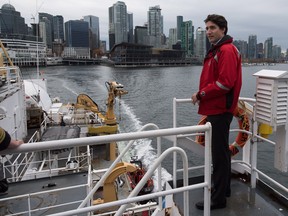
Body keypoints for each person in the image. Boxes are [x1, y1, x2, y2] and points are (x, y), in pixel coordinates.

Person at [192, 14, 242, 210]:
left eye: (212, 28)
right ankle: (224, 189)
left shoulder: (226, 50)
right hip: (217, 108)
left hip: (220, 110)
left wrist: (200, 94)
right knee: (221, 153)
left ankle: (218, 198)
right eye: (207, 28)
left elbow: (224, 83)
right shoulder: (219, 50)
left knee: (219, 156)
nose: (209, 32)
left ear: (223, 29)